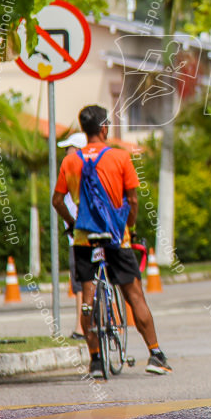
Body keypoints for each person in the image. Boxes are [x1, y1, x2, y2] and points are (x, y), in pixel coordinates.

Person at [51, 105, 172, 377]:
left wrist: (72, 224)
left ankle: (95, 361)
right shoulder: (121, 157)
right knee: (134, 295)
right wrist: (128, 224)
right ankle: (155, 354)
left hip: (84, 239)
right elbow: (133, 200)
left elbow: (57, 201)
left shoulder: (70, 161)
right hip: (116, 238)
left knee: (87, 298)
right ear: (104, 128)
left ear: (84, 130)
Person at [58, 132, 88, 340]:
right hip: (95, 232)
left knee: (80, 284)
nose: (65, 153)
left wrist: (70, 222)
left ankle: (81, 326)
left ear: (77, 151)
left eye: (68, 149)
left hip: (77, 235)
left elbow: (57, 200)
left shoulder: (71, 171)